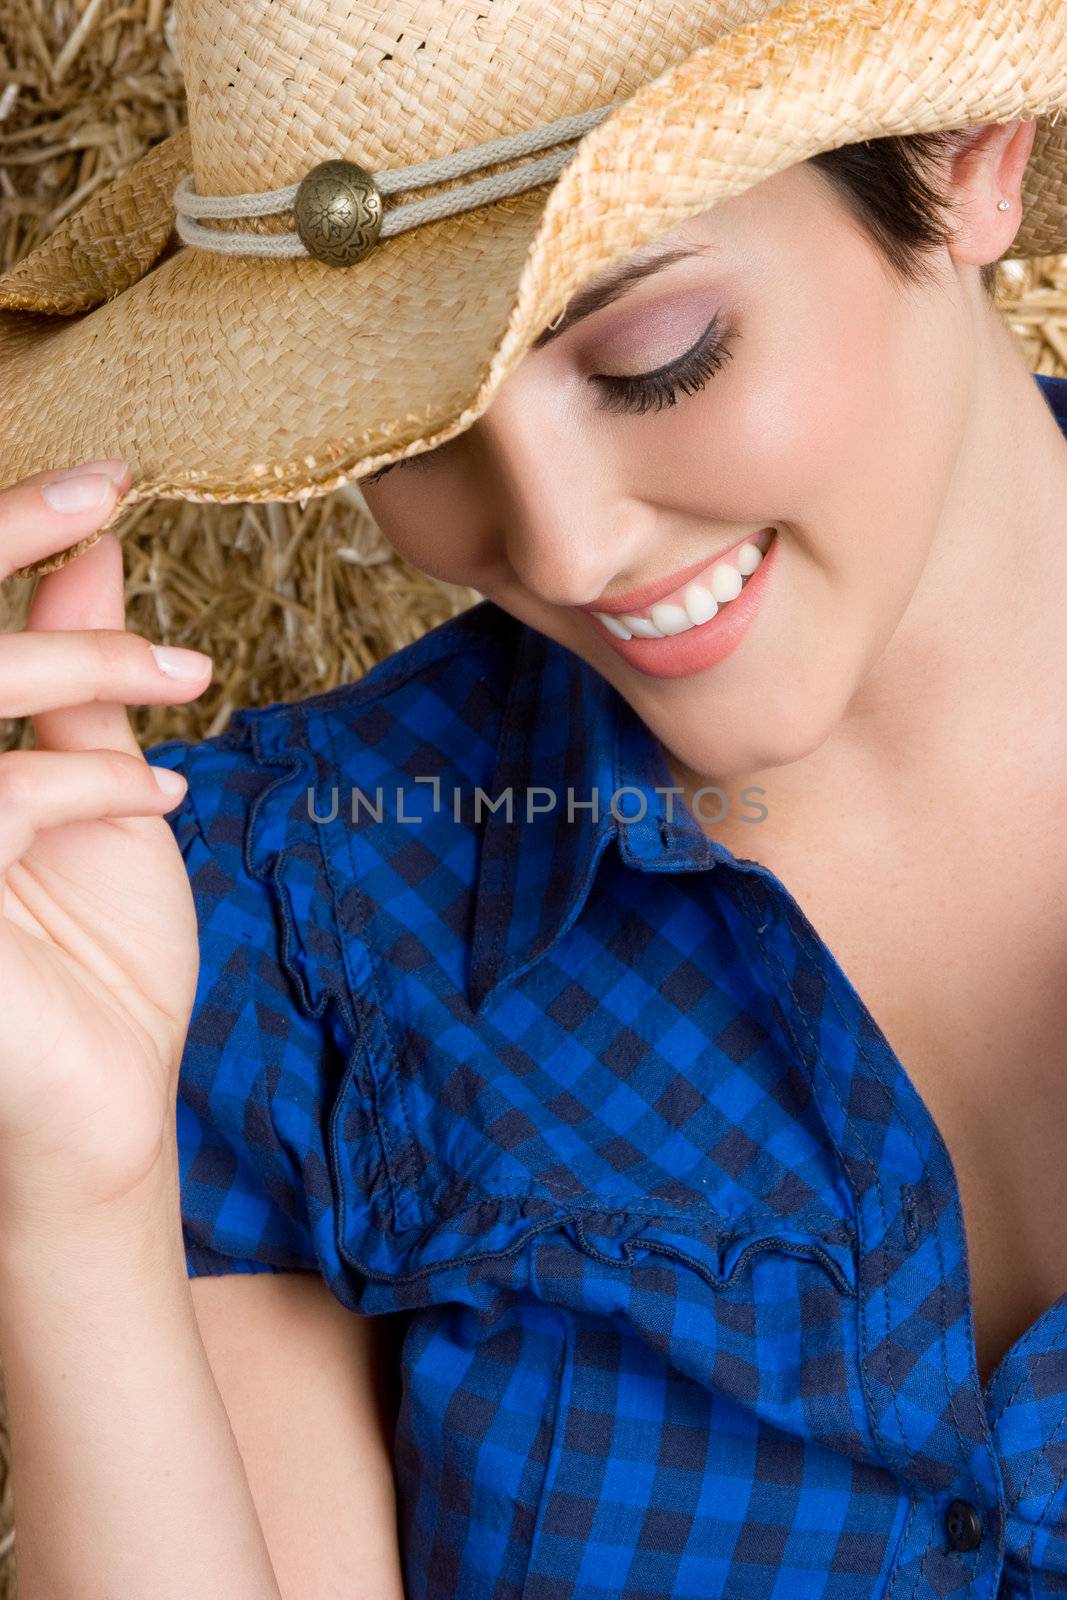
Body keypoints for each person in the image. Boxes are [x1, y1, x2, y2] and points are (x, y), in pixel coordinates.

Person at [1, 12, 1067, 1600]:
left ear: (970, 156)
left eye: (654, 356)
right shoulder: (284, 928)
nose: (559, 552)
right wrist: (74, 1202)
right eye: (411, 432)